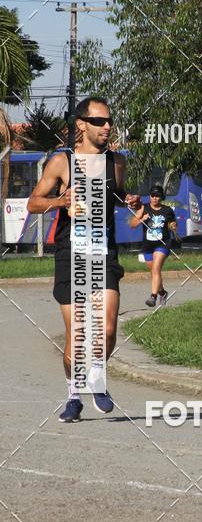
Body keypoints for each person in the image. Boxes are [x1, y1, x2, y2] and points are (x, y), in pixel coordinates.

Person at [27, 96, 141, 422]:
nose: (107, 127)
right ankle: (73, 395)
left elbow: (116, 194)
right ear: (81, 124)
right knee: (77, 338)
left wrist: (128, 199)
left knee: (107, 328)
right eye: (99, 121)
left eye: (109, 121)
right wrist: (61, 201)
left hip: (104, 252)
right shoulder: (61, 162)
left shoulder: (116, 161)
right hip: (71, 254)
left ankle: (97, 376)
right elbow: (34, 203)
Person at [129, 183, 178, 307]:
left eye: (157, 196)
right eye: (152, 195)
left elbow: (173, 224)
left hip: (163, 243)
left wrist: (173, 226)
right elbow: (132, 224)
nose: (155, 198)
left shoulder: (167, 210)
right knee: (154, 272)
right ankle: (162, 292)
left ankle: (153, 297)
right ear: (149, 196)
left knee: (156, 269)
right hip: (147, 246)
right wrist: (142, 219)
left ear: (162, 197)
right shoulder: (143, 208)